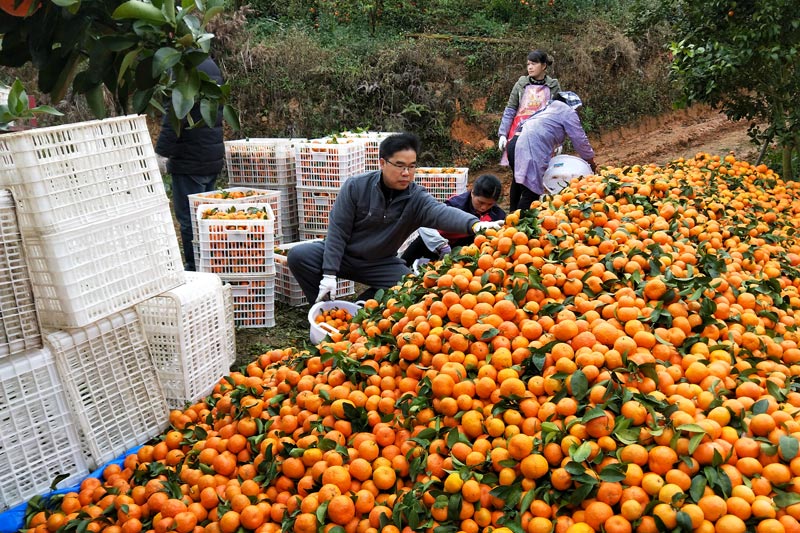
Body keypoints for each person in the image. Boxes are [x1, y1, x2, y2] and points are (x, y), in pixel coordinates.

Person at [287, 133, 502, 304]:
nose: (406, 173)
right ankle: (322, 309)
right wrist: (329, 273)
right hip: (344, 254)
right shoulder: (356, 187)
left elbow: (441, 212)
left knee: (410, 289)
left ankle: (362, 306)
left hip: (380, 263)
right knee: (299, 255)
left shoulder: (416, 198)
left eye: (411, 166)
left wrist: (474, 225)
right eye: (400, 165)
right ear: (382, 163)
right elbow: (338, 231)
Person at [156, 56, 225, 272]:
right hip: (211, 155)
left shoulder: (184, 68)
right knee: (207, 217)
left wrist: (161, 152)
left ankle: (196, 267)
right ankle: (212, 264)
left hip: (190, 160)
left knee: (190, 220)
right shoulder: (210, 64)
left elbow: (176, 115)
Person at [497, 49, 562, 211]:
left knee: (533, 176)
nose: (530, 67)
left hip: (541, 138)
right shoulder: (521, 84)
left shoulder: (553, 86)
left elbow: (557, 113)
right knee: (519, 176)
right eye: (528, 64)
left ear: (544, 66)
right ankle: (515, 213)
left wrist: (559, 140)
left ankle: (522, 215)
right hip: (518, 136)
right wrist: (503, 134)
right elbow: (510, 109)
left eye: (534, 64)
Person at [513, 91, 597, 210]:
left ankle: (511, 219)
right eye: (577, 110)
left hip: (515, 142)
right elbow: (579, 139)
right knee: (531, 193)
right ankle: (519, 224)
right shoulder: (567, 110)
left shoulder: (549, 108)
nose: (576, 113)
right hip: (528, 145)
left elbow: (544, 129)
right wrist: (590, 162)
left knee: (518, 185)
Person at [401, 174, 506, 267]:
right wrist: (440, 244)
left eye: (490, 204)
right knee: (404, 266)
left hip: (461, 256)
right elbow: (426, 224)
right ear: (472, 192)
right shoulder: (455, 205)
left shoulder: (497, 216)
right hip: (431, 244)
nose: (484, 207)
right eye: (480, 202)